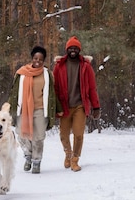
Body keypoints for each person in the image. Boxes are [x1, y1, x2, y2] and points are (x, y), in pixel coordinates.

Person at [8, 45, 61, 174]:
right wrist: (9, 109)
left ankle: (36, 162)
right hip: (23, 109)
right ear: (32, 58)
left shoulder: (47, 74)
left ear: (44, 61)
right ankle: (28, 156)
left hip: (40, 109)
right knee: (22, 135)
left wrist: (58, 109)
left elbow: (52, 94)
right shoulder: (21, 73)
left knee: (38, 137)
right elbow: (14, 93)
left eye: (41, 59)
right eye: (35, 58)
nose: (38, 61)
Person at [53, 36, 100, 172]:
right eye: (70, 48)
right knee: (63, 134)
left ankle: (75, 159)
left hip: (80, 105)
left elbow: (92, 88)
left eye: (75, 48)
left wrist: (96, 106)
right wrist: (55, 106)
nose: (73, 50)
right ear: (67, 49)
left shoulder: (86, 66)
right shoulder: (59, 66)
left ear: (79, 50)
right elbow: (54, 88)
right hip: (65, 106)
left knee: (79, 134)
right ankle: (67, 153)